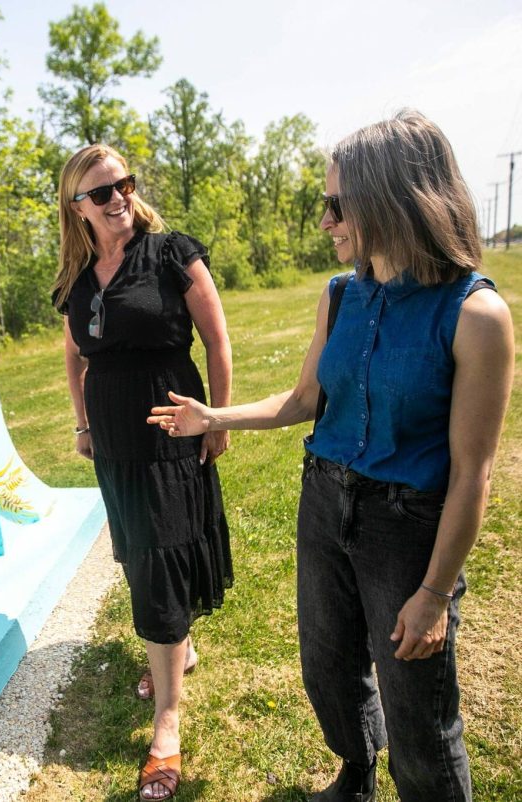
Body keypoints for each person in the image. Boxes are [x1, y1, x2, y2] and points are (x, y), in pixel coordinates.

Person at [148, 110, 514, 802]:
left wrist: (434, 595)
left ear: (394, 199)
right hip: (324, 502)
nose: (325, 222)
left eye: (336, 205)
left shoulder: (474, 315)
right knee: (328, 666)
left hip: (408, 529)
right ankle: (355, 771)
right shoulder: (340, 296)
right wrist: (211, 418)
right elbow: (302, 400)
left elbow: (474, 475)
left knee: (419, 714)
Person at [51, 143, 234, 801]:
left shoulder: (171, 251)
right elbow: (74, 356)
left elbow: (216, 338)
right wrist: (81, 422)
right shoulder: (78, 280)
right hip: (113, 439)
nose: (119, 198)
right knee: (135, 548)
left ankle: (167, 721)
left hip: (169, 424)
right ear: (79, 208)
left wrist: (217, 418)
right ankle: (175, 650)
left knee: (161, 553)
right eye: (102, 192)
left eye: (124, 183)